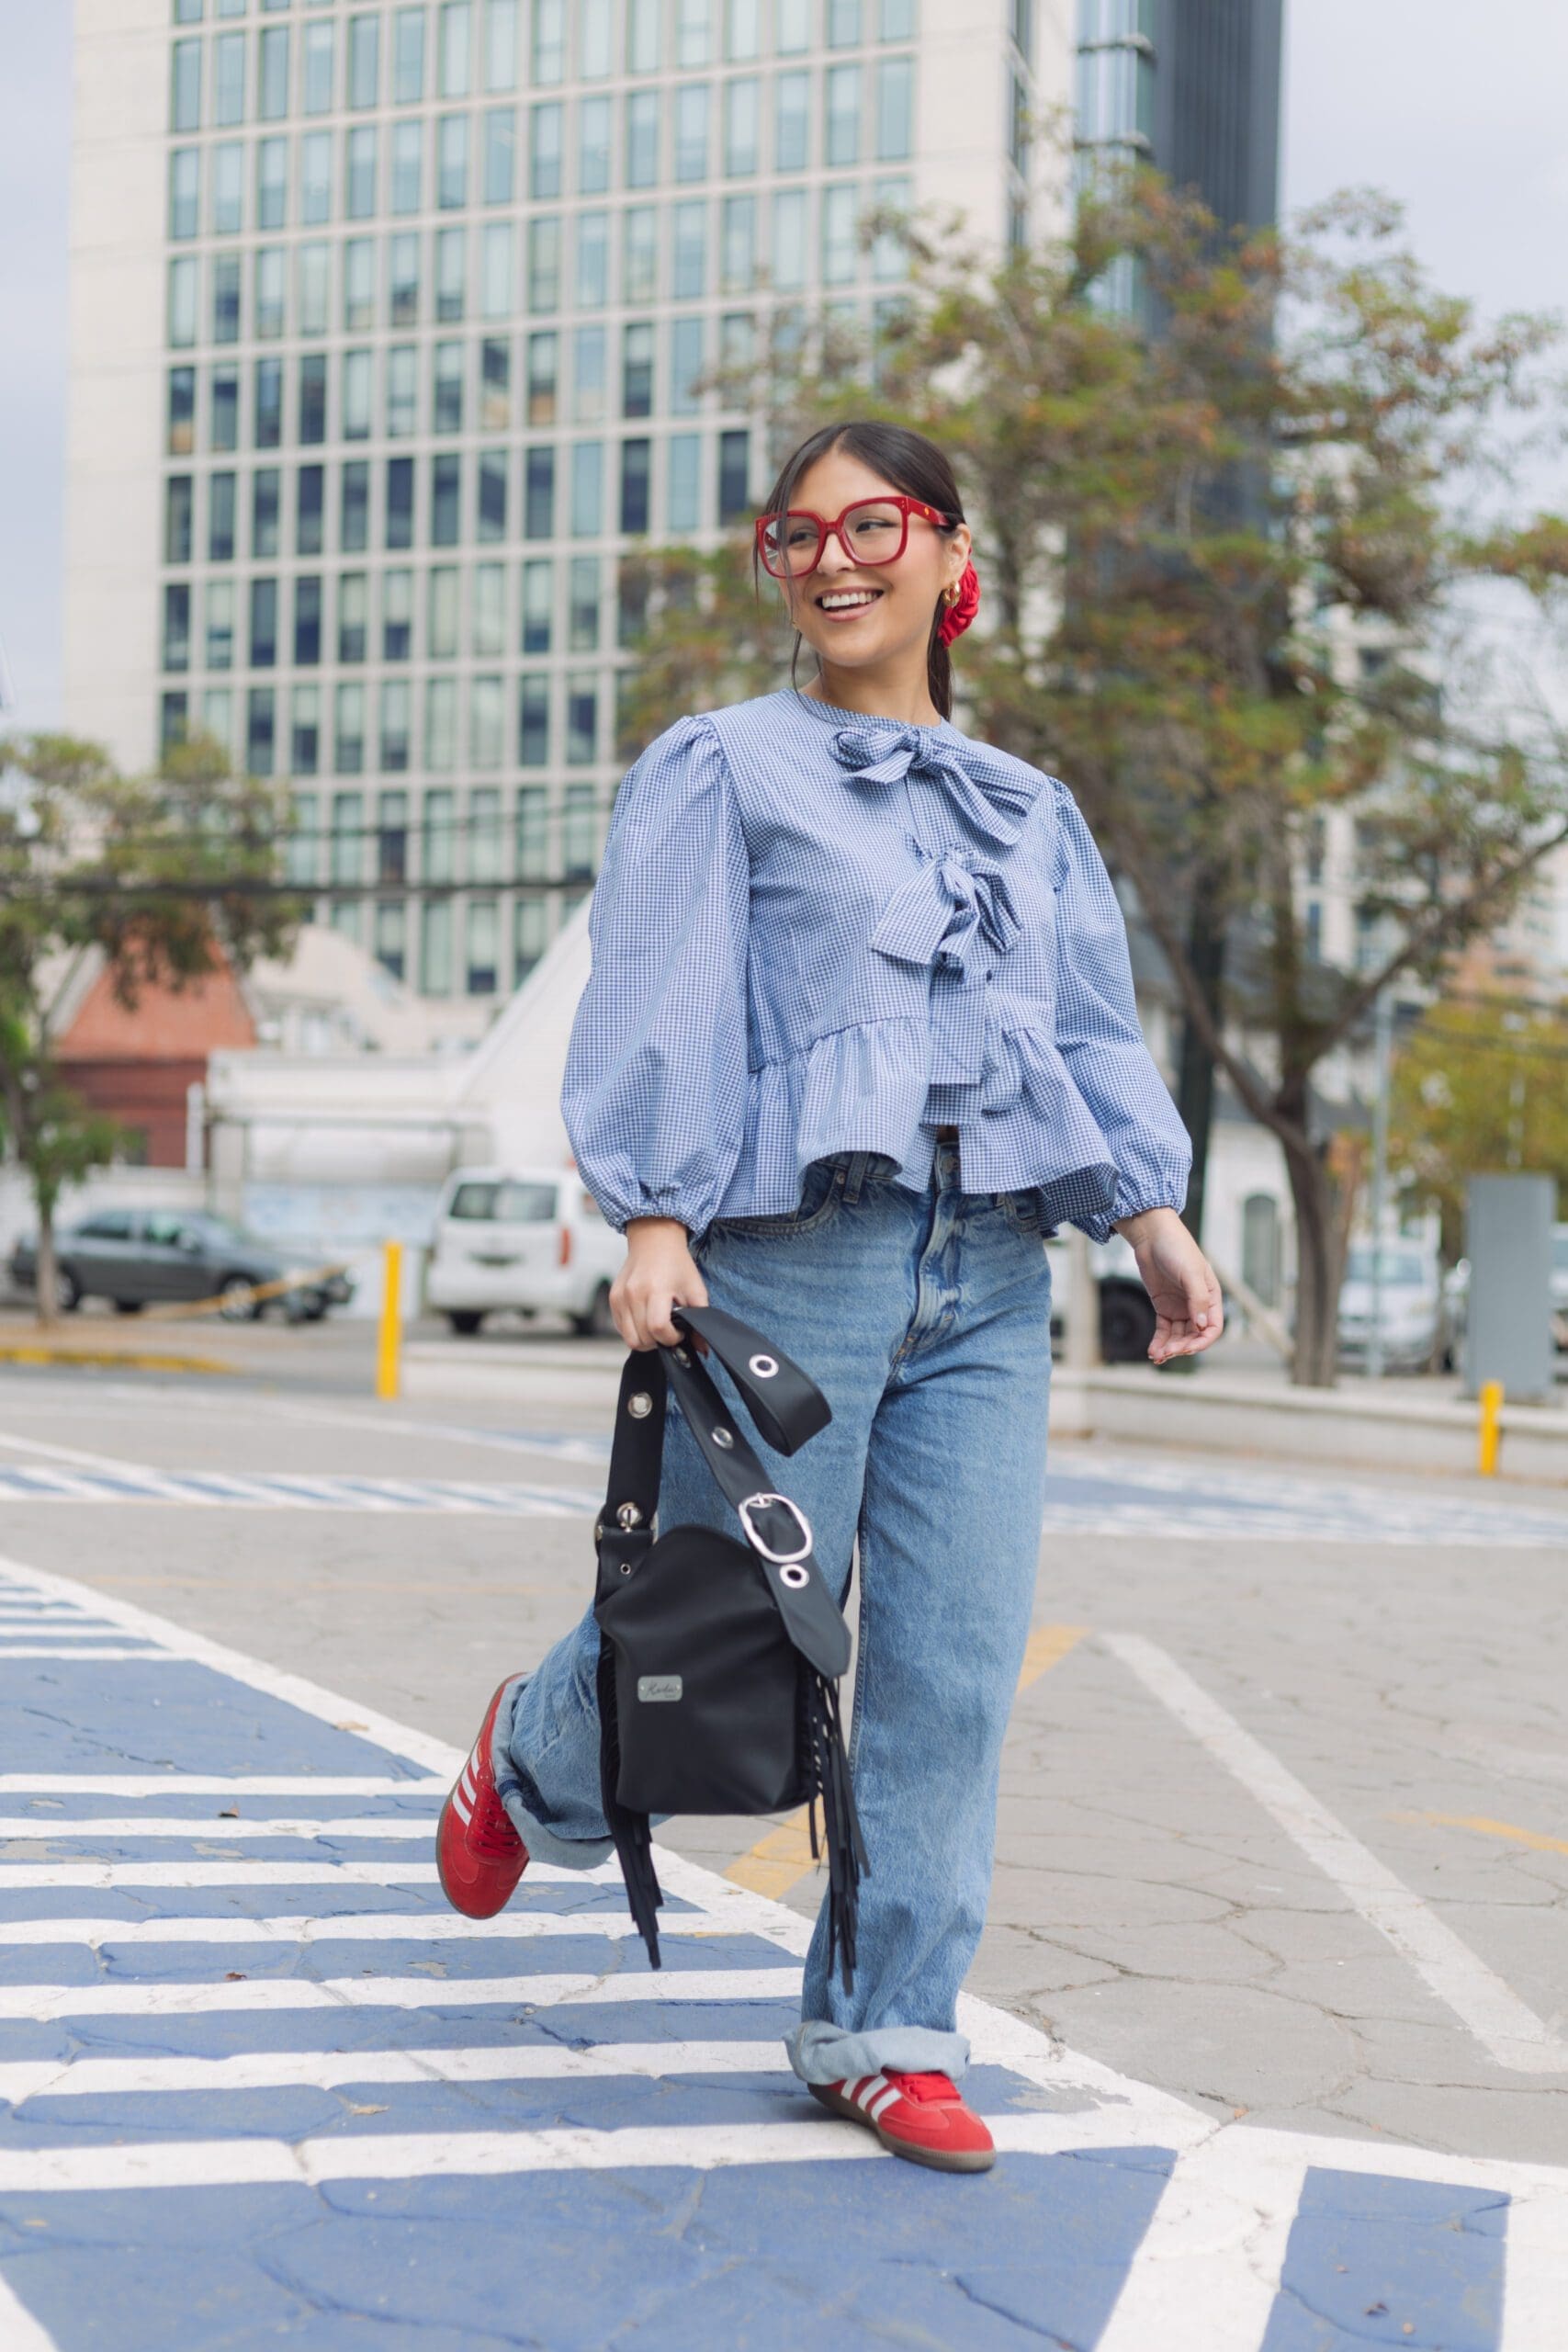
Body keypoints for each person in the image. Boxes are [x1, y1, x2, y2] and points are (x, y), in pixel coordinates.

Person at [435, 419, 1223, 2175]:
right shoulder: (723, 766)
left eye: (874, 524)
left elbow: (1085, 1032)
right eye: (797, 536)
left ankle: (885, 2029)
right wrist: (656, 1213)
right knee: (724, 1618)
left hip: (995, 1270)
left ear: (952, 558)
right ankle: (534, 1760)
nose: (833, 559)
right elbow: (664, 994)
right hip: (800, 1253)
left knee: (952, 1661)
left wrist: (1152, 1214)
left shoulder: (1033, 809)